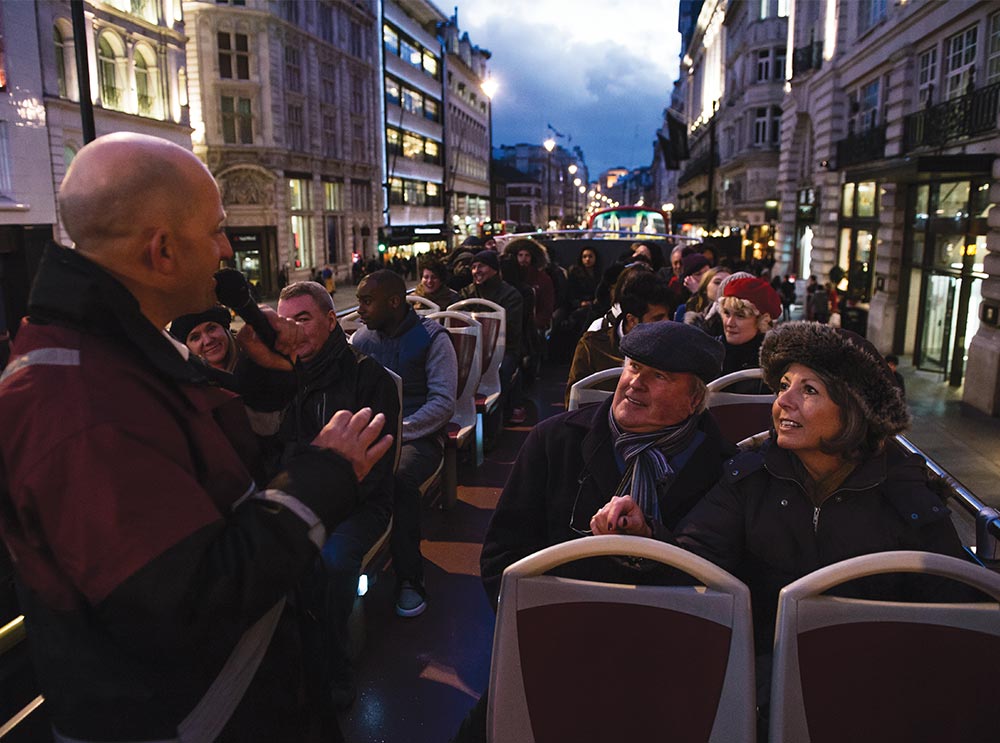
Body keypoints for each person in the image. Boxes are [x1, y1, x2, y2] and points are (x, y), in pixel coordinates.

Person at [0, 133, 392, 742]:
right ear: (162, 251)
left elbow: (215, 469)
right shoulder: (78, 406)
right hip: (204, 716)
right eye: (214, 230)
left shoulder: (125, 353)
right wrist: (326, 473)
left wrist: (261, 383)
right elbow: (190, 600)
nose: (226, 249)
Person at [593, 322, 976, 731]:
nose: (783, 403)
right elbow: (695, 564)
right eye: (784, 386)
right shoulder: (750, 478)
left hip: (876, 690)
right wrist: (646, 538)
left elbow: (958, 610)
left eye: (808, 391)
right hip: (762, 679)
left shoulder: (903, 494)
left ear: (853, 408)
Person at [351, 270, 458, 617]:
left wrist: (399, 432)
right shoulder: (361, 341)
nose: (359, 311)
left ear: (394, 302)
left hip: (419, 436)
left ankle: (410, 577)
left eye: (367, 302)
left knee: (398, 479)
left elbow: (442, 403)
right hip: (372, 433)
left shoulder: (433, 338)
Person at [564, 270, 672, 406]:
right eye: (658, 318)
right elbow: (573, 400)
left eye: (668, 315)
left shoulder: (672, 348)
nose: (667, 322)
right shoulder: (593, 346)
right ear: (631, 320)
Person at [459, 250, 524, 423]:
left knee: (499, 371)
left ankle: (493, 421)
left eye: (481, 266)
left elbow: (511, 329)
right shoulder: (466, 294)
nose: (476, 271)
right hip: (472, 350)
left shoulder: (511, 295)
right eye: (473, 267)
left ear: (494, 269)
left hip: (504, 349)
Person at [718, 276, 782, 392]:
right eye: (726, 313)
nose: (729, 323)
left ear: (762, 321)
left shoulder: (775, 362)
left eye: (740, 316)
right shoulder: (708, 351)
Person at [169, 304, 239, 372]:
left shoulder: (248, 363)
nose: (208, 341)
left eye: (211, 329)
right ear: (186, 347)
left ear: (225, 330)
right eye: (195, 337)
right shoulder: (184, 382)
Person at [682, 266, 732, 336]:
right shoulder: (693, 316)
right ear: (705, 288)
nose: (723, 286)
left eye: (728, 283)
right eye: (717, 282)